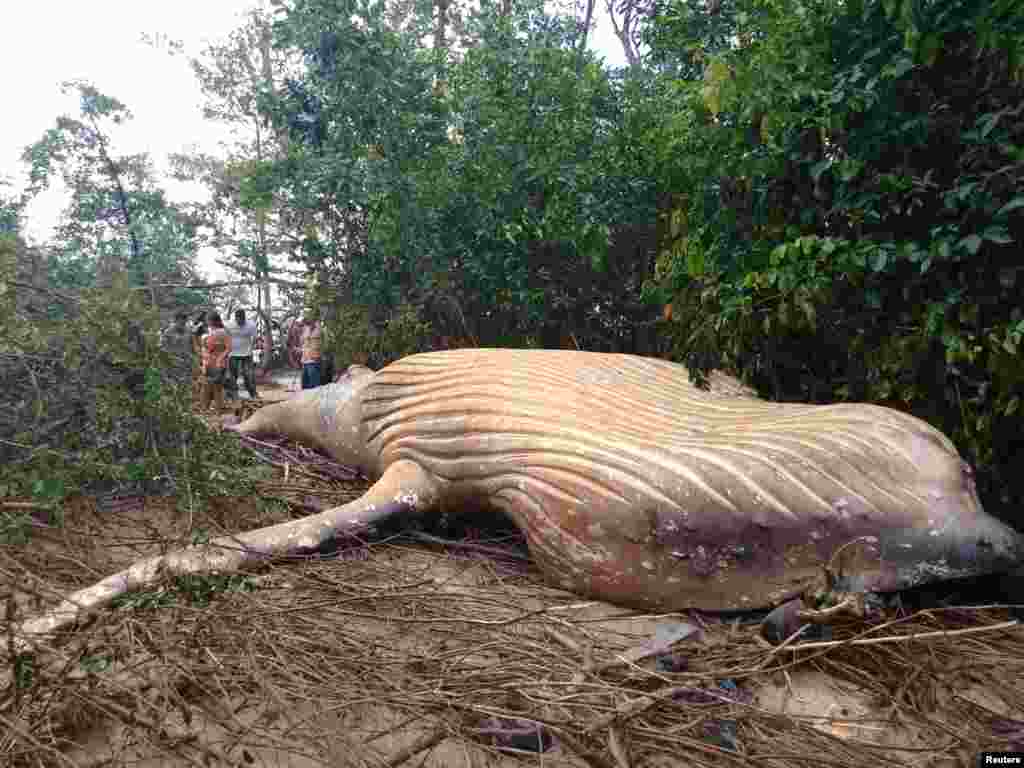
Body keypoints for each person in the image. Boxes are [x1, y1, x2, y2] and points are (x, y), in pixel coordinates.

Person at [200, 312, 231, 413]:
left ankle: (211, 409)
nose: (207, 322)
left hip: (215, 364)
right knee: (212, 387)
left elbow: (227, 348)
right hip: (214, 364)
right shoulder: (221, 332)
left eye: (208, 320)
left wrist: (220, 358)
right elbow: (229, 348)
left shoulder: (219, 332)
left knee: (212, 387)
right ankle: (212, 409)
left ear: (213, 321)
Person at [225, 308, 259, 400]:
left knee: (248, 374)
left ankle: (253, 393)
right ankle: (231, 394)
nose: (240, 322)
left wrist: (251, 348)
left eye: (242, 320)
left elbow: (255, 338)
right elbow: (225, 337)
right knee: (233, 374)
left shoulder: (251, 325)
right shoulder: (229, 325)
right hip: (233, 354)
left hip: (247, 354)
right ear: (235, 318)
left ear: (244, 318)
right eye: (238, 320)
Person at [159, 311, 193, 397]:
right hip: (172, 366)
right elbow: (162, 349)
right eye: (181, 322)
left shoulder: (188, 331)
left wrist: (191, 359)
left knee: (185, 388)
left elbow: (190, 347)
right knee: (171, 389)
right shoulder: (167, 333)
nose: (183, 324)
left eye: (185, 322)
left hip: (185, 365)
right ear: (175, 320)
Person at [299, 309, 323, 390]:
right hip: (305, 360)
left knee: (314, 385)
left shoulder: (319, 327)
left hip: (314, 360)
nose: (304, 322)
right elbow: (303, 342)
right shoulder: (305, 328)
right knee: (305, 385)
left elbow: (319, 341)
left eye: (305, 319)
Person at [191, 311, 208, 403]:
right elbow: (194, 338)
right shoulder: (198, 327)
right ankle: (197, 396)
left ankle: (200, 396)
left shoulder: (202, 328)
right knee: (198, 374)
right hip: (198, 353)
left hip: (201, 353)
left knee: (200, 375)